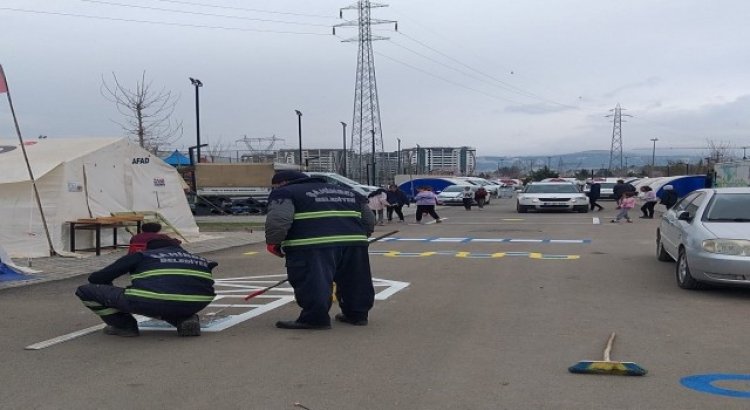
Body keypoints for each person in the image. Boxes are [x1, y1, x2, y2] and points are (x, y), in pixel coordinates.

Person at [265, 170, 376, 330]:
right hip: (354, 243)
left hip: (311, 245)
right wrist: (359, 236)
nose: (274, 190)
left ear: (282, 183)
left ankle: (314, 318)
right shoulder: (348, 192)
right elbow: (368, 219)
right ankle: (357, 315)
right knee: (355, 280)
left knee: (313, 280)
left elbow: (279, 220)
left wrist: (275, 242)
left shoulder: (286, 192)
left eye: (274, 187)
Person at [75, 236, 216, 337]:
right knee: (164, 298)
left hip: (150, 299)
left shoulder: (142, 255)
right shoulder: (199, 259)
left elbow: (96, 279)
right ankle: (183, 319)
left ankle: (124, 326)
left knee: (85, 291)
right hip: (197, 302)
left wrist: (112, 294)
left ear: (149, 248)